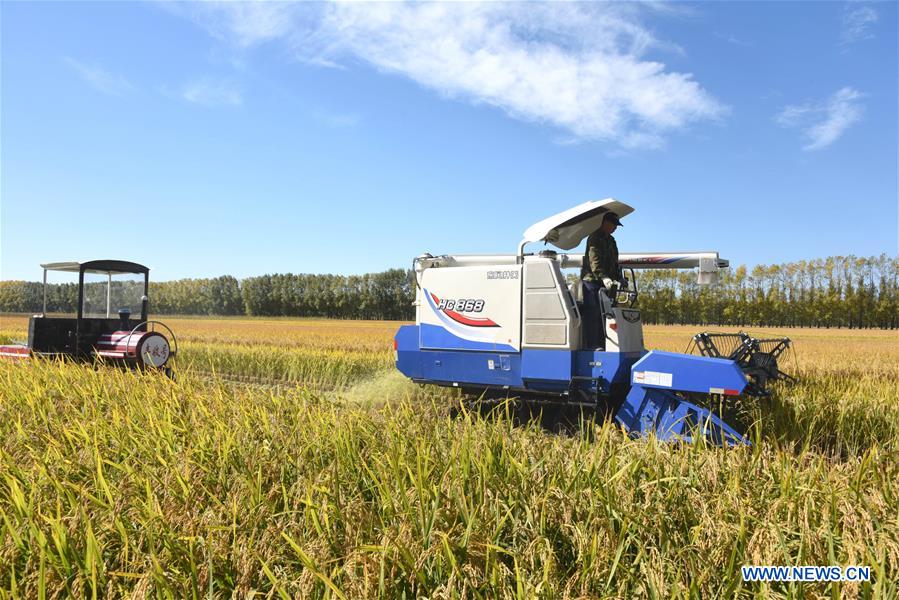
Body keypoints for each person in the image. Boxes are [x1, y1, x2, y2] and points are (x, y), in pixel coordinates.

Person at [580, 212, 624, 348]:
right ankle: (593, 346)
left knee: (607, 315)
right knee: (594, 315)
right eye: (614, 225)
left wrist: (619, 278)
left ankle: (606, 345)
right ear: (605, 223)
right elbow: (595, 261)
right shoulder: (594, 237)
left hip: (607, 284)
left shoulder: (611, 241)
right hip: (592, 282)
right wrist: (603, 276)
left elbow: (614, 262)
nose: (615, 228)